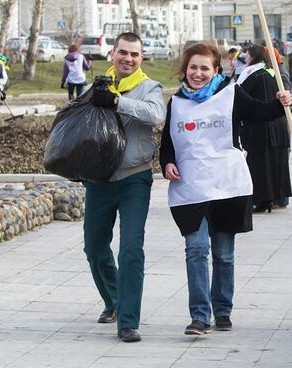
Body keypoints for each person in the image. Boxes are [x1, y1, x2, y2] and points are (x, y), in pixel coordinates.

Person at [159, 42, 292, 336]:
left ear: (215, 70)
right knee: (195, 250)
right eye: (193, 67)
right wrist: (167, 163)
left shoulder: (230, 94)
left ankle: (222, 310)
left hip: (226, 185)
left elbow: (262, 112)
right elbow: (167, 144)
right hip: (190, 188)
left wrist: (282, 101)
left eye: (204, 68)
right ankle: (199, 316)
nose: (198, 73)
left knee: (223, 254)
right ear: (185, 70)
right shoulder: (177, 102)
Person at [82, 32, 166, 343]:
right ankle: (114, 300)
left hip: (135, 178)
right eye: (122, 53)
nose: (127, 59)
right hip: (99, 180)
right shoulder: (100, 84)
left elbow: (156, 115)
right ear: (113, 54)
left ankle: (128, 321)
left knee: (131, 250)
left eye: (134, 54)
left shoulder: (149, 88)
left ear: (141, 58)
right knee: (94, 247)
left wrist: (118, 102)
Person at [238, 44, 292, 212]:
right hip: (279, 126)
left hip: (260, 127)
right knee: (278, 163)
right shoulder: (277, 74)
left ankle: (262, 200)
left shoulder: (251, 75)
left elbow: (239, 98)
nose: (245, 59)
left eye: (247, 56)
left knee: (260, 165)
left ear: (255, 57)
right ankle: (279, 198)